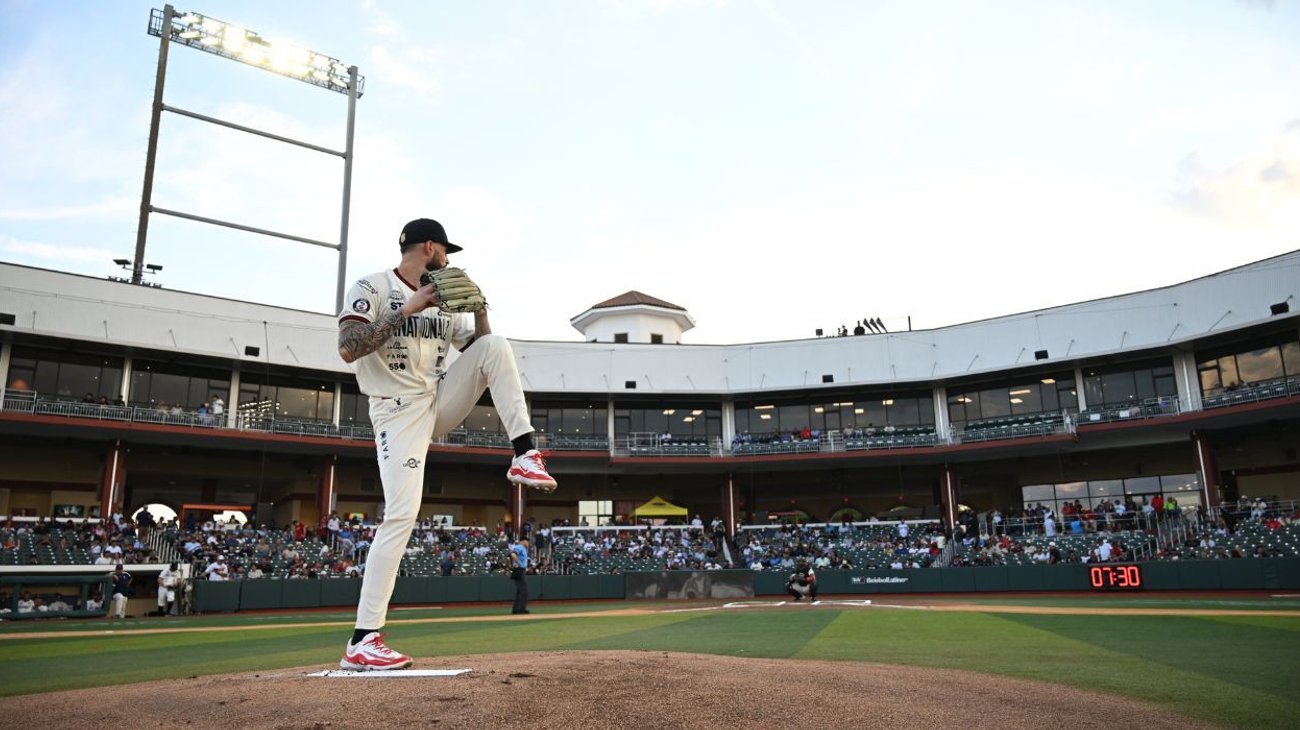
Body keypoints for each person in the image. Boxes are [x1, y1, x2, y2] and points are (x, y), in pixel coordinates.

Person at [336, 217, 557, 671]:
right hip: (395, 411)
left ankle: (524, 452)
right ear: (430, 247)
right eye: (446, 252)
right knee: (400, 514)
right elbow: (349, 346)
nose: (450, 260)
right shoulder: (373, 285)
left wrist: (478, 306)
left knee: (497, 346)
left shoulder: (445, 300)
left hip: (435, 399)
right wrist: (409, 308)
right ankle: (363, 639)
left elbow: (481, 348)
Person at [510, 537, 531, 615]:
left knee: (520, 591)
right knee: (524, 591)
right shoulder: (519, 547)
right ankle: (521, 609)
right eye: (527, 542)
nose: (528, 543)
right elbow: (513, 554)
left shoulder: (523, 548)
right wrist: (518, 563)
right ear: (524, 541)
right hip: (519, 569)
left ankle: (516, 609)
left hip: (520, 569)